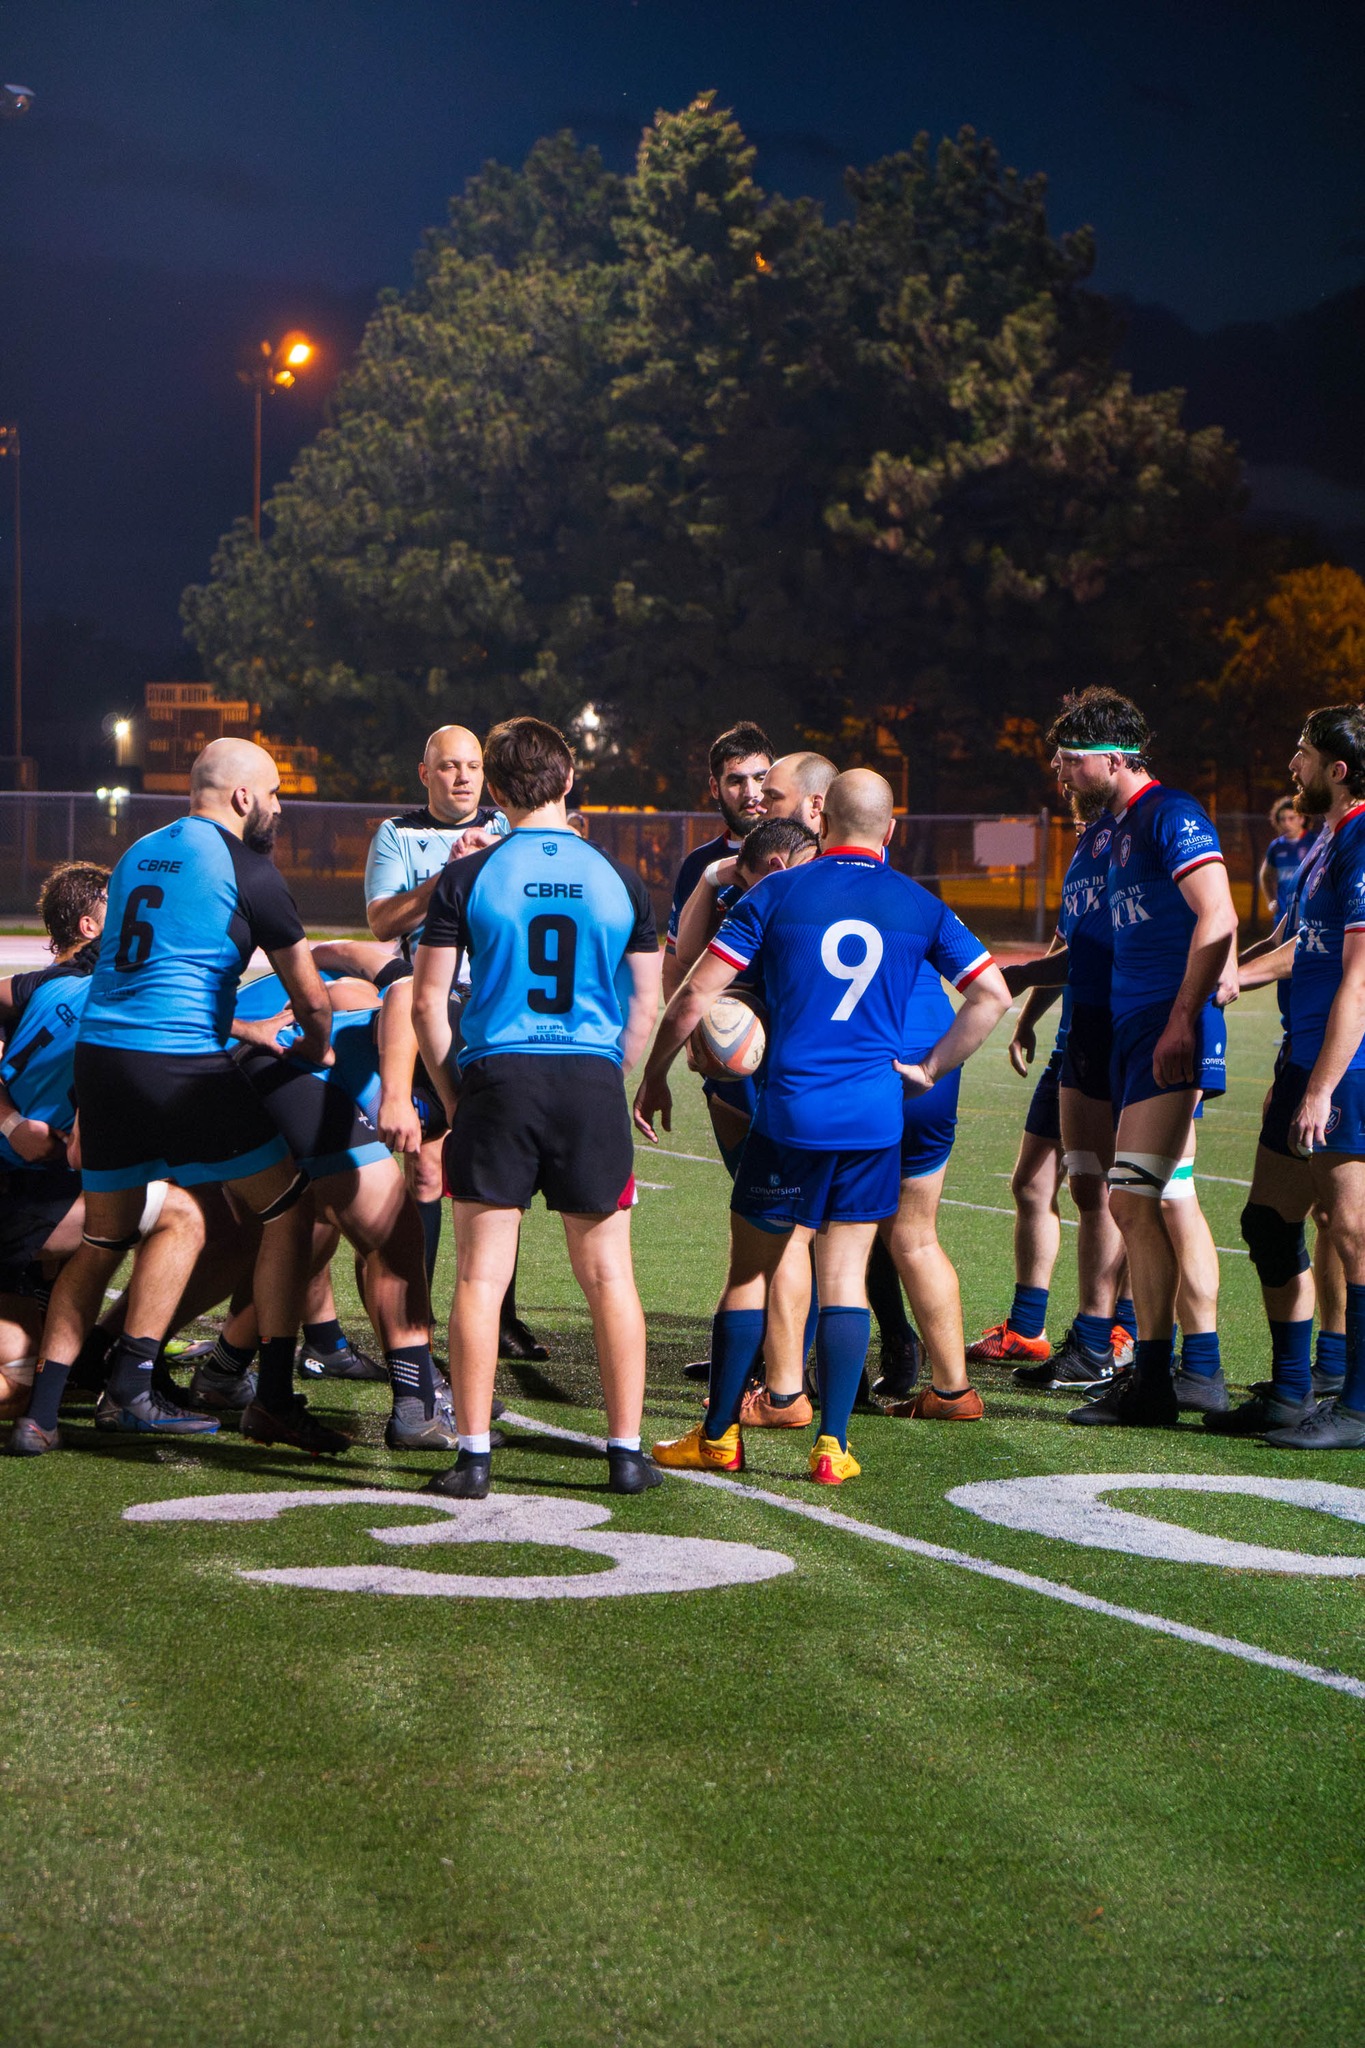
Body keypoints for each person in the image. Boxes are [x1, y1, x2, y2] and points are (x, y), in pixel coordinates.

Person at [637, 770, 1009, 1484]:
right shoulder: (918, 903)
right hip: (875, 1118)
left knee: (751, 1270)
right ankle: (833, 1447)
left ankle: (718, 1437)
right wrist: (929, 1066)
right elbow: (991, 994)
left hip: (791, 1115)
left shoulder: (776, 892)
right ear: (890, 830)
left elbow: (695, 996)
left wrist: (654, 1072)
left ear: (822, 821)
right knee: (844, 1276)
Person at [10, 739, 341, 1458]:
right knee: (290, 1211)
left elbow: (159, 968)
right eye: (276, 793)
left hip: (101, 1065)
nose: (281, 807)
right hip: (180, 1065)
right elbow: (311, 995)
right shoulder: (249, 868)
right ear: (243, 798)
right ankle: (273, 1401)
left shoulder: (136, 854)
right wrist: (319, 1047)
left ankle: (42, 1415)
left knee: (102, 1239)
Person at [412, 715, 663, 1499]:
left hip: (498, 1079)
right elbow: (646, 1002)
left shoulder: (468, 875)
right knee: (610, 1279)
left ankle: (474, 1455)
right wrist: (609, 1077)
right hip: (587, 1080)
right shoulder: (620, 877)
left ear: (494, 789)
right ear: (569, 781)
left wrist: (456, 1096)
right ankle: (625, 1454)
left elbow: (426, 1006)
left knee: (481, 1280)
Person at [1037, 691, 1238, 1430]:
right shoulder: (1115, 831)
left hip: (1164, 1025)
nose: (1061, 769)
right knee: (1168, 1197)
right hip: (1134, 1027)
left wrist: (1184, 1015)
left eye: (1072, 756)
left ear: (1114, 756)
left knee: (1130, 1200)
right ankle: (1200, 1372)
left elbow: (1218, 913)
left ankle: (1152, 1381)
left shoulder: (1168, 812)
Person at [363, 722, 543, 1363]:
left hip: (499, 1012)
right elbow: (382, 921)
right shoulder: (397, 833)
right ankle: (421, 1320)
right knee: (430, 1165)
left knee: (501, 1163)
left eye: (472, 766)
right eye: (448, 766)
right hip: (429, 1013)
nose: (462, 777)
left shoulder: (513, 827)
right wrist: (450, 874)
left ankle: (502, 1317)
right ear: (425, 772)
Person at [1222, 707, 1365, 1448]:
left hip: (1347, 1068)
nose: (1290, 765)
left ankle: (1355, 1403)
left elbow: (1358, 977)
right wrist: (1229, 978)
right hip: (1301, 1057)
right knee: (1266, 1221)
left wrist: (1319, 1087)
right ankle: (1288, 1390)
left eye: (1302, 753)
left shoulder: (1364, 834)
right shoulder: (1324, 839)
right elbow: (1298, 945)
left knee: (1351, 1231)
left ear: (1336, 770)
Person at [661, 722, 772, 1004]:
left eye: (761, 778)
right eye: (736, 781)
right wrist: (692, 1042)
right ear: (715, 786)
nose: (751, 793)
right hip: (721, 1031)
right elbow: (675, 967)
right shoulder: (698, 865)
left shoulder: (804, 857)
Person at [1260, 794, 1320, 927]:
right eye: (1282, 819)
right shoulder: (1276, 846)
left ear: (1302, 819)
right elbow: (1265, 875)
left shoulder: (1315, 842)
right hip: (1284, 914)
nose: (1287, 823)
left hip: (1309, 912)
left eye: (1291, 818)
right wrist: (1271, 901)